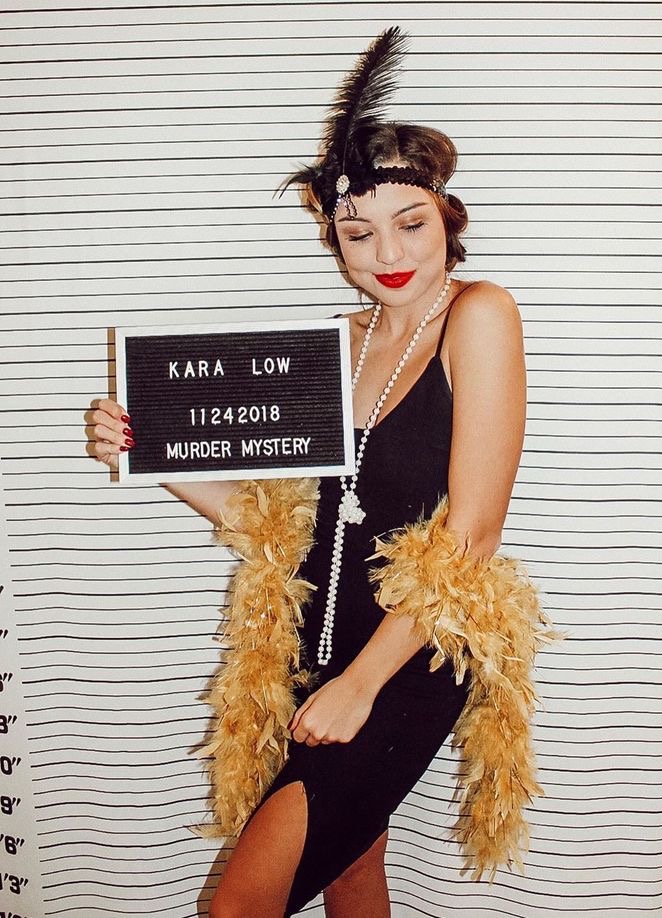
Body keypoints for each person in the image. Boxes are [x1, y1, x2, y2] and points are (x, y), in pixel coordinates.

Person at [90, 27, 555, 918]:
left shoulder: (480, 316)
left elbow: (473, 534)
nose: (389, 254)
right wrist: (149, 452)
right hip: (313, 638)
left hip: (409, 654)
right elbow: (278, 523)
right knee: (351, 865)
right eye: (358, 233)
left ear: (447, 218)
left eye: (410, 223)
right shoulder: (332, 346)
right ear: (333, 238)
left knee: (238, 905)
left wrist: (361, 684)